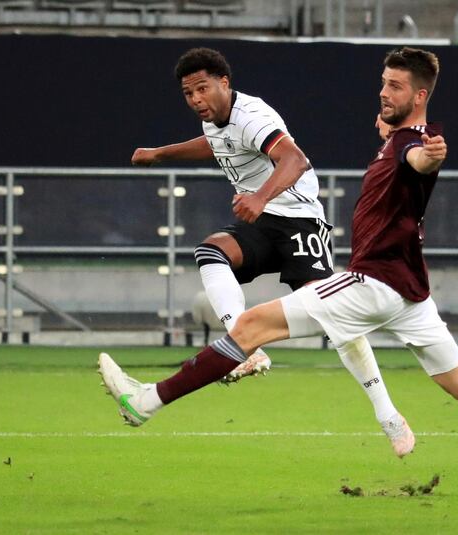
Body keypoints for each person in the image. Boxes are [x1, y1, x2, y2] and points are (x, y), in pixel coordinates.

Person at [102, 46, 458, 509]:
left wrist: (426, 157)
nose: (383, 92)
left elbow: (421, 157)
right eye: (382, 83)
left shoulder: (415, 144)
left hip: (375, 283)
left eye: (394, 86)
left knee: (250, 327)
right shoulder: (395, 140)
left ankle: (146, 402)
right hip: (412, 292)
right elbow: (403, 154)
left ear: (419, 95)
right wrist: (398, 141)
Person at [130, 47, 414, 457]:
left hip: (298, 220)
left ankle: (388, 414)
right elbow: (217, 145)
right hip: (264, 223)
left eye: (202, 89)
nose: (196, 100)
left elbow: (295, 160)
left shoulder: (252, 115)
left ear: (225, 83)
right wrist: (161, 153)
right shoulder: (218, 120)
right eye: (188, 93)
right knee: (211, 252)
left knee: (340, 323)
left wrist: (260, 197)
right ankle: (244, 347)